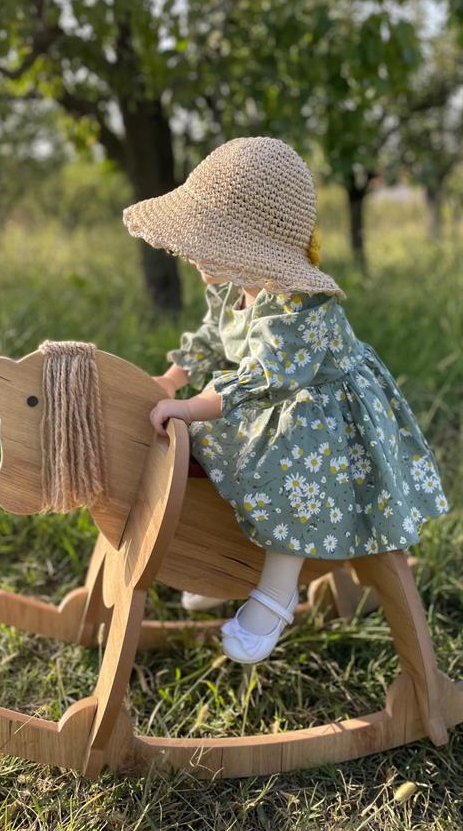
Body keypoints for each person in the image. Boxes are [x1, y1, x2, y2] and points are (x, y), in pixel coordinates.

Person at [121, 137, 449, 665]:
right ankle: (230, 561)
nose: (196, 254)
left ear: (250, 245)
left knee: (292, 468)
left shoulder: (299, 303)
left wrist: (189, 405)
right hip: (284, 398)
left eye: (210, 241)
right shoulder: (237, 283)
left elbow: (267, 377)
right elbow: (212, 336)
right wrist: (170, 380)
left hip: (326, 411)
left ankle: (276, 594)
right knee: (215, 446)